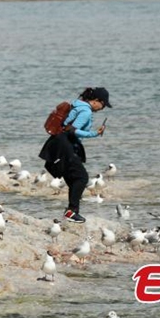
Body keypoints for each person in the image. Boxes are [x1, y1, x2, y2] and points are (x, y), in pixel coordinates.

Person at [41, 87, 111, 224]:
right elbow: (72, 130)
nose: (103, 108)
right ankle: (72, 211)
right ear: (96, 101)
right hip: (65, 144)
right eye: (103, 104)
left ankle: (72, 211)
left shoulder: (77, 105)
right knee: (82, 177)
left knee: (73, 178)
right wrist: (95, 133)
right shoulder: (85, 110)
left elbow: (68, 127)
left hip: (60, 142)